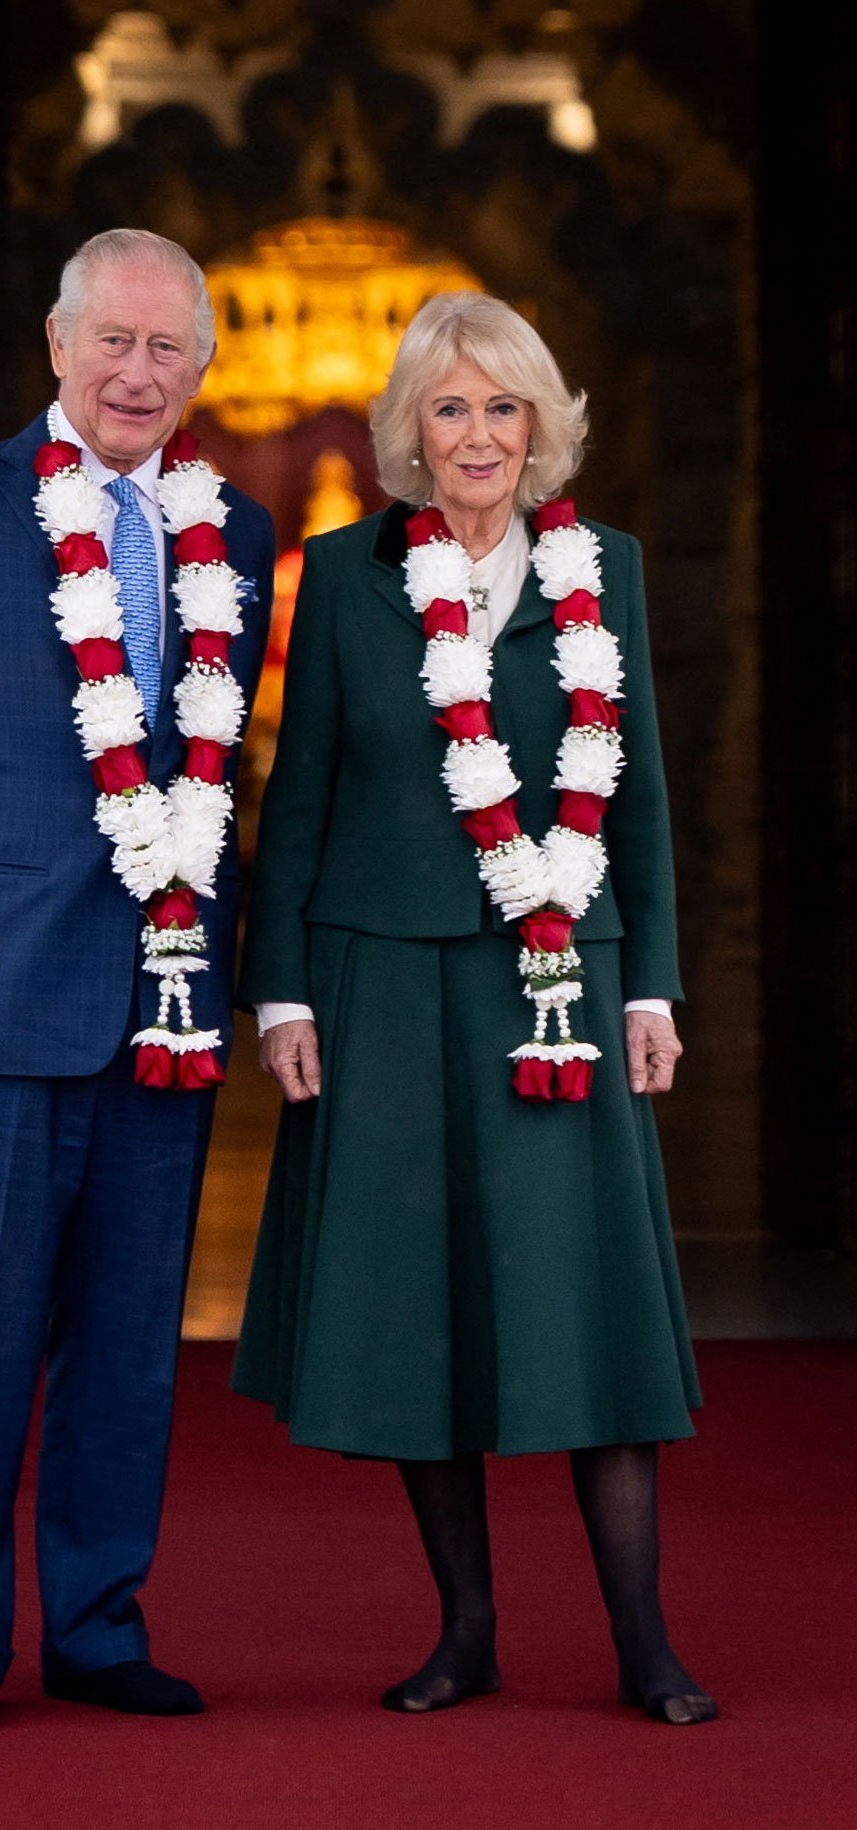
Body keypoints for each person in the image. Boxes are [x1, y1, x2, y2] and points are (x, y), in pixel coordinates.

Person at [233, 291, 716, 1726]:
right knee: (413, 1311)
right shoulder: (342, 575)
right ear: (408, 433)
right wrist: (279, 991)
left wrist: (652, 979)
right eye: (448, 407)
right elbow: (298, 788)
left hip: (558, 977)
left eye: (501, 405)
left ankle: (645, 1643)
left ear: (540, 423)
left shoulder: (604, 569)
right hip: (379, 975)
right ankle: (466, 1634)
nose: (477, 433)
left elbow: (633, 793)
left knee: (589, 1305)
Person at [0, 229, 273, 1732]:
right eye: (114, 340)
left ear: (203, 365)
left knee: (125, 1347)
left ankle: (99, 1623)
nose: (138, 372)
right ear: (55, 344)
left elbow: (226, 767)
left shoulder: (237, 527)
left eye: (169, 348)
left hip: (161, 998)